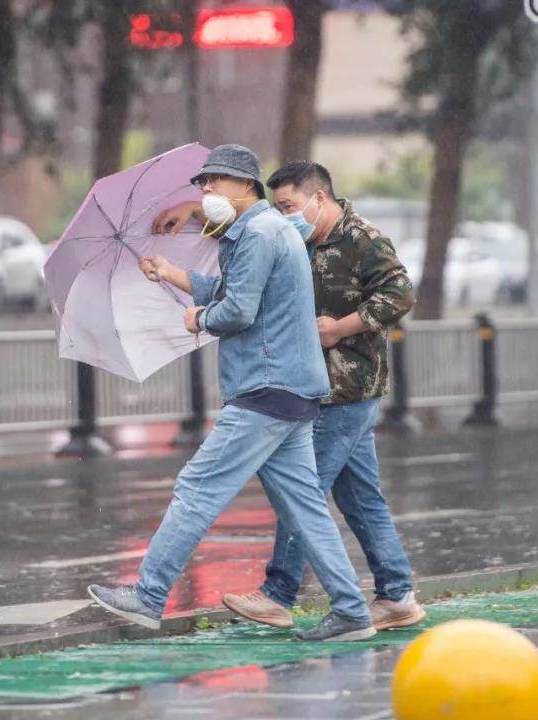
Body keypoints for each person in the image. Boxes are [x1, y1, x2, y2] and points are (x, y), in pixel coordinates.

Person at [86, 144, 376, 642]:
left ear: (247, 185)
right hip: (290, 388)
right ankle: (351, 611)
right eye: (202, 183)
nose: (206, 190)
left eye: (215, 181)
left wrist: (198, 318)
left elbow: (237, 310)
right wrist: (171, 273)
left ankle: (149, 595)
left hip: (266, 387)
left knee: (197, 488)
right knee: (305, 508)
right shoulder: (260, 230)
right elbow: (234, 290)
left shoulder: (260, 233)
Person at [221, 160, 424, 631]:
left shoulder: (361, 238)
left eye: (290, 204)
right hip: (317, 385)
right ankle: (396, 595)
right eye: (279, 206)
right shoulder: (296, 238)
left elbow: (399, 292)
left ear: (319, 198)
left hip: (349, 386)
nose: (285, 213)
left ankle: (278, 593)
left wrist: (341, 328)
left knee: (303, 490)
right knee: (359, 497)